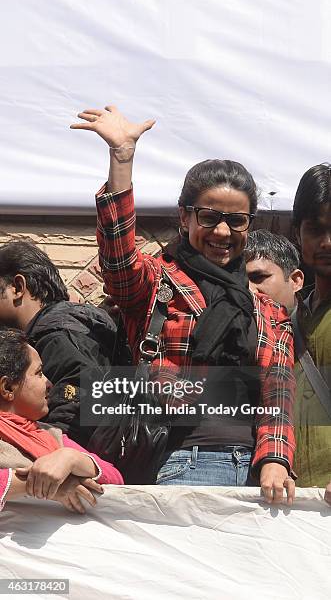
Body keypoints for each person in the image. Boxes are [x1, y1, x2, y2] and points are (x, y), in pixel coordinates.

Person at [71, 105, 296, 504]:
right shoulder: (159, 282)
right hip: (183, 460)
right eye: (209, 217)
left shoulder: (268, 310)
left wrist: (276, 459)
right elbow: (119, 262)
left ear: (249, 224)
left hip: (256, 475)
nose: (223, 231)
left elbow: (276, 394)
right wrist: (122, 159)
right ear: (185, 217)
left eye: (237, 220)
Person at [0, 241, 118, 447]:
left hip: (70, 466)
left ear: (18, 287)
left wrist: (50, 452)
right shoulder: (70, 326)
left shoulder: (57, 336)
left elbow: (77, 406)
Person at [0, 329, 123, 513]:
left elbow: (116, 480)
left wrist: (71, 458)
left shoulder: (51, 435)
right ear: (8, 387)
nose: (49, 383)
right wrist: (43, 486)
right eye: (39, 373)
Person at [292, 164, 331, 503]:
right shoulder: (292, 316)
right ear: (298, 235)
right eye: (316, 229)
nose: (327, 242)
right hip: (290, 506)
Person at [245, 230, 304, 312]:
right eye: (241, 282)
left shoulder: (320, 321)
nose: (250, 290)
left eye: (259, 277)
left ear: (295, 281)